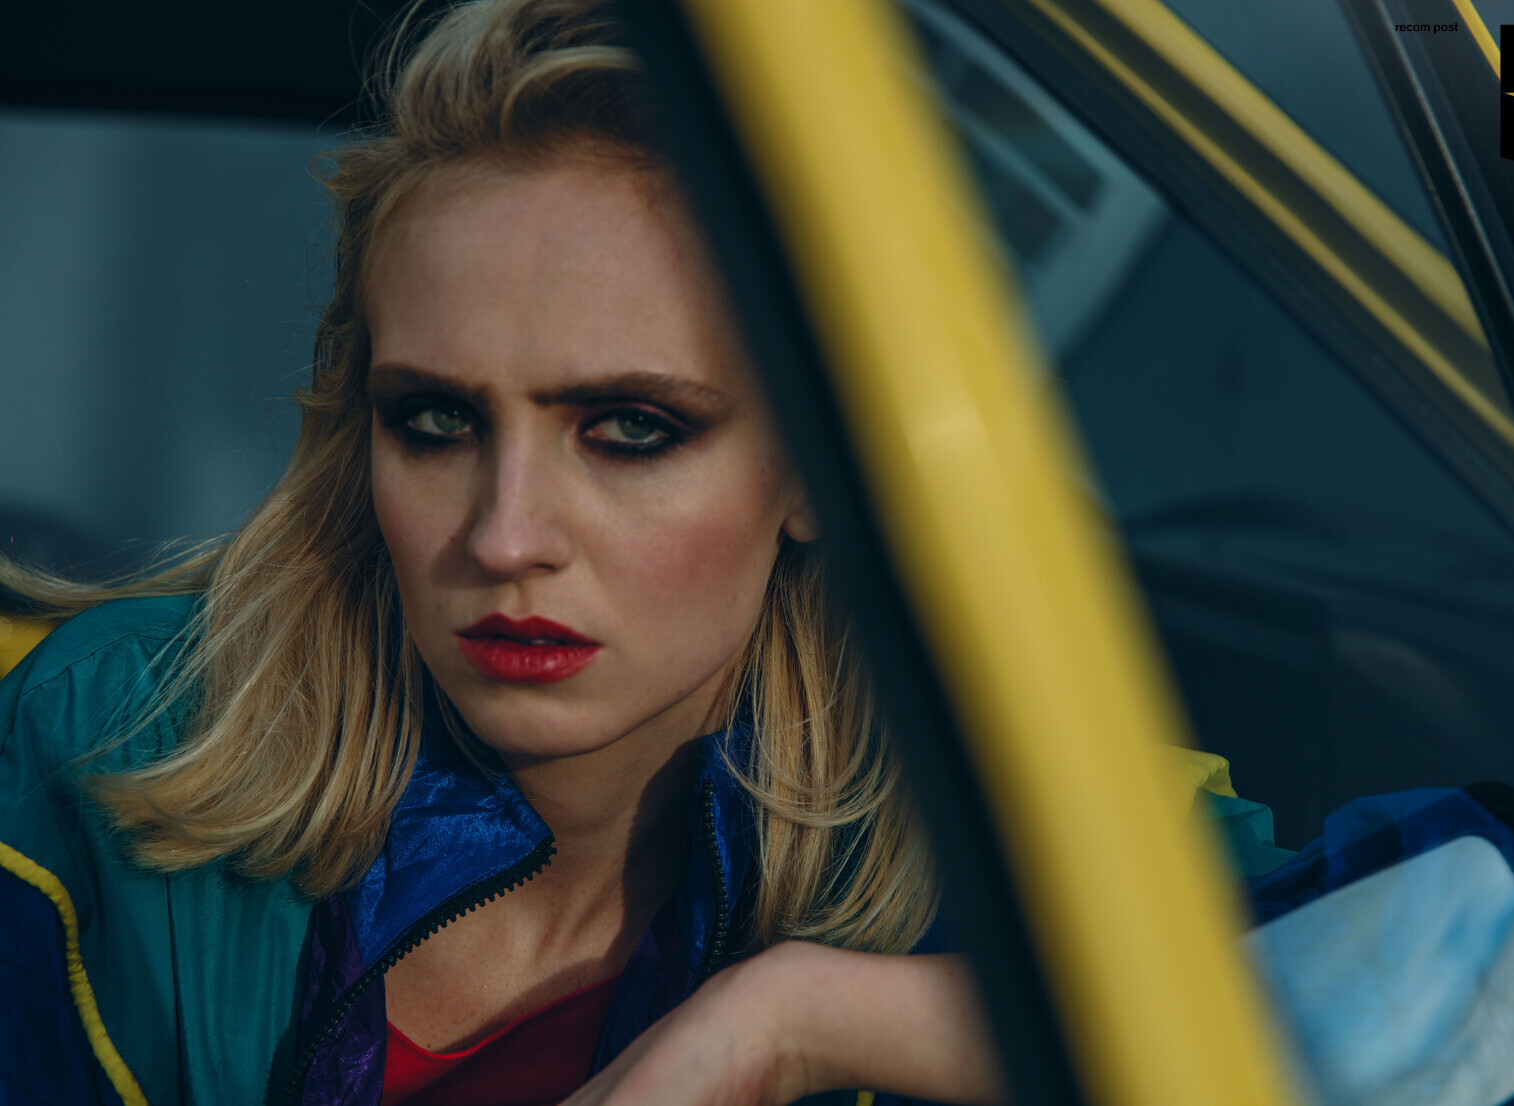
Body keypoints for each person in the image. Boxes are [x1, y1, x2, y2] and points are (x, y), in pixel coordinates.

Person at [0, 1, 1010, 1103]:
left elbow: (1178, 1006)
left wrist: (801, 1021)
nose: (506, 536)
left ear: (818, 464)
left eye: (630, 429)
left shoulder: (988, 829)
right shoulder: (108, 747)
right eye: (437, 421)